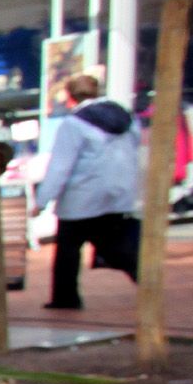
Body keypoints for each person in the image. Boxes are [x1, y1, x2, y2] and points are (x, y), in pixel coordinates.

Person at [36, 72, 143, 309]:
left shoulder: (74, 124)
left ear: (70, 97)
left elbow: (60, 166)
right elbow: (136, 149)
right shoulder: (127, 118)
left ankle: (66, 298)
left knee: (68, 251)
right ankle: (145, 279)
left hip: (81, 198)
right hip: (118, 195)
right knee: (115, 246)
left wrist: (42, 200)